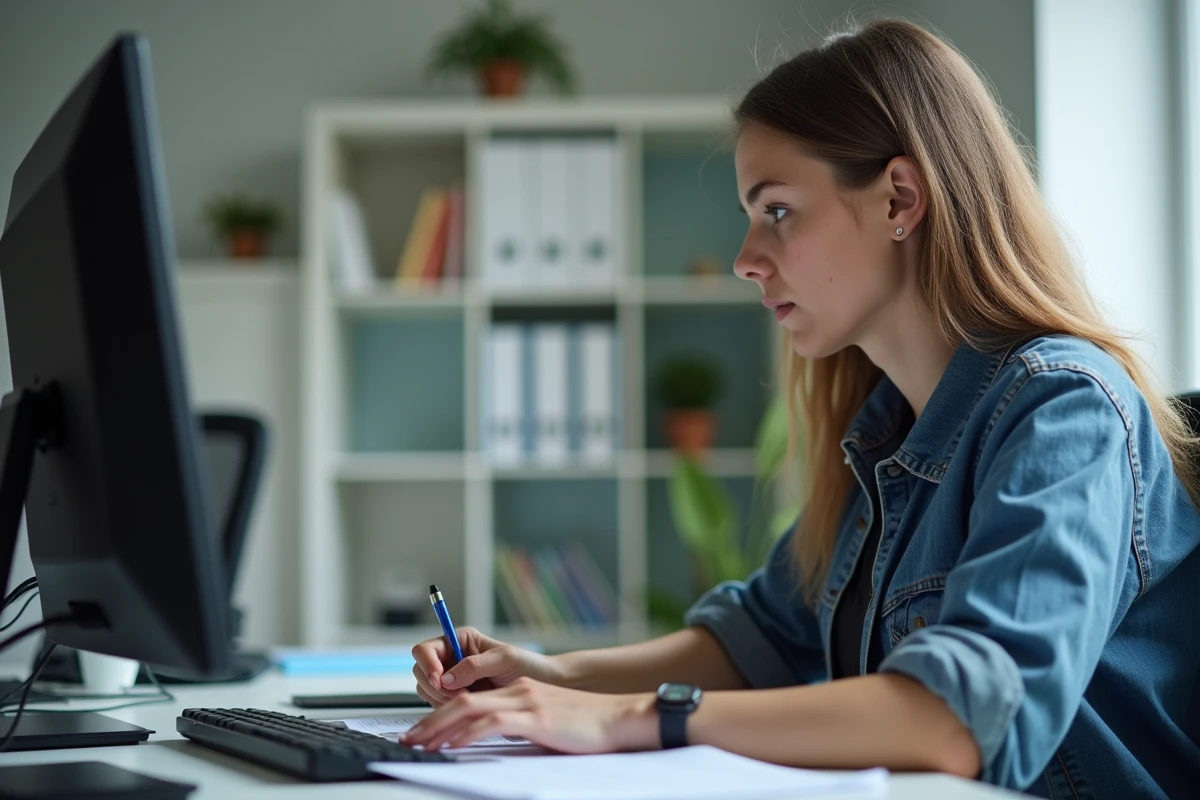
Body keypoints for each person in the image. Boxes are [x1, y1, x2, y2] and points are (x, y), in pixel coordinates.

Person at [404, 17, 1200, 798]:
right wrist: (545, 676)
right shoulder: (886, 433)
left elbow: (959, 718)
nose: (748, 260)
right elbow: (758, 640)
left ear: (899, 199)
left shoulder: (1067, 413)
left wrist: (630, 718)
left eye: (776, 210)